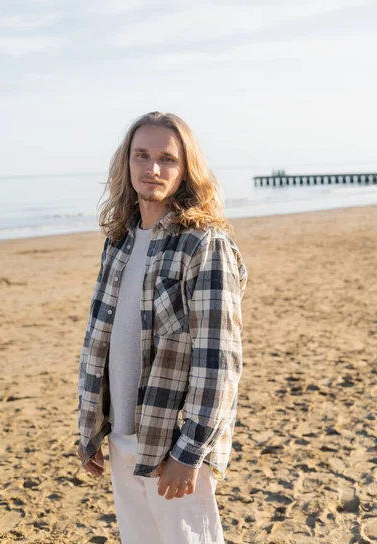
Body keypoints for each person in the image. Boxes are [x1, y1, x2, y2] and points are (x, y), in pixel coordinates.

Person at [77, 111, 247, 543]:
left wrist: (189, 453)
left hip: (170, 442)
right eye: (142, 155)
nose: (152, 168)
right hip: (121, 438)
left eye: (167, 159)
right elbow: (100, 340)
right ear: (126, 163)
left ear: (186, 168)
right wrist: (91, 428)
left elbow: (219, 360)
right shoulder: (118, 241)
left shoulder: (205, 243)